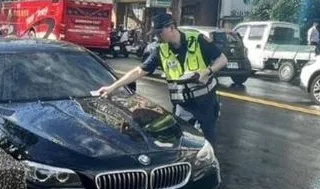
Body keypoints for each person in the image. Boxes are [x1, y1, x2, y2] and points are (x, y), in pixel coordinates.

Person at [96, 13, 228, 146]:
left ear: (171, 28)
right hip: (182, 106)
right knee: (182, 143)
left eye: (159, 32)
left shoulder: (198, 40)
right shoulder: (161, 50)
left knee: (207, 143)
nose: (157, 36)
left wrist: (207, 71)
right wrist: (112, 87)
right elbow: (139, 71)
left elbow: (222, 60)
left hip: (205, 103)